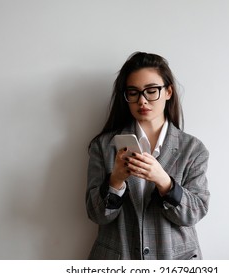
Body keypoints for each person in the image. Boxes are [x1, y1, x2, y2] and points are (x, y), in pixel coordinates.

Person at [86, 51, 210, 260]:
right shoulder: (104, 146)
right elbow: (96, 214)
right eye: (133, 92)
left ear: (168, 91)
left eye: (151, 91)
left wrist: (164, 182)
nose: (142, 101)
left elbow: (195, 212)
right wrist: (115, 181)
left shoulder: (193, 149)